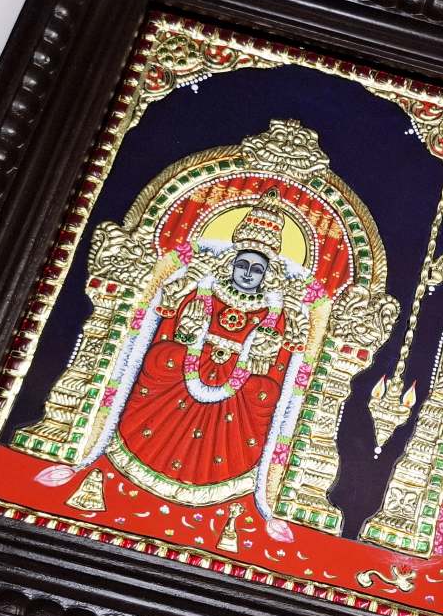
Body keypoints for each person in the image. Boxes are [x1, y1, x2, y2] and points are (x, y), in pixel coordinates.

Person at [104, 190, 307, 505]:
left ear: (267, 274)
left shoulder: (276, 310)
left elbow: (282, 359)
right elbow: (167, 319)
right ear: (231, 263)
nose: (248, 274)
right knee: (162, 359)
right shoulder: (202, 289)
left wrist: (267, 348)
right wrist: (187, 328)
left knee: (263, 395)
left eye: (257, 269)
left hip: (236, 389)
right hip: (185, 374)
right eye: (243, 265)